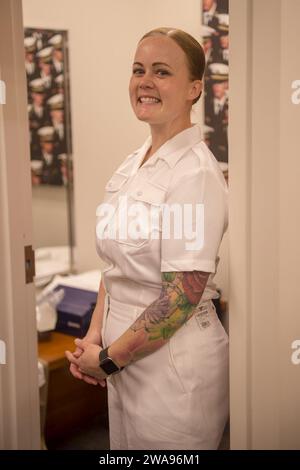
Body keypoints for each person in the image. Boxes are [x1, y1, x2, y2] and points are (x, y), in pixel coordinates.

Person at [65, 27, 229, 450]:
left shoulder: (194, 173)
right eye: (139, 70)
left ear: (194, 88)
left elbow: (181, 298)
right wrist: (96, 336)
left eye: (162, 71)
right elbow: (115, 266)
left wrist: (108, 359)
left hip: (172, 366)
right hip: (124, 356)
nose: (145, 81)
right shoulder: (134, 163)